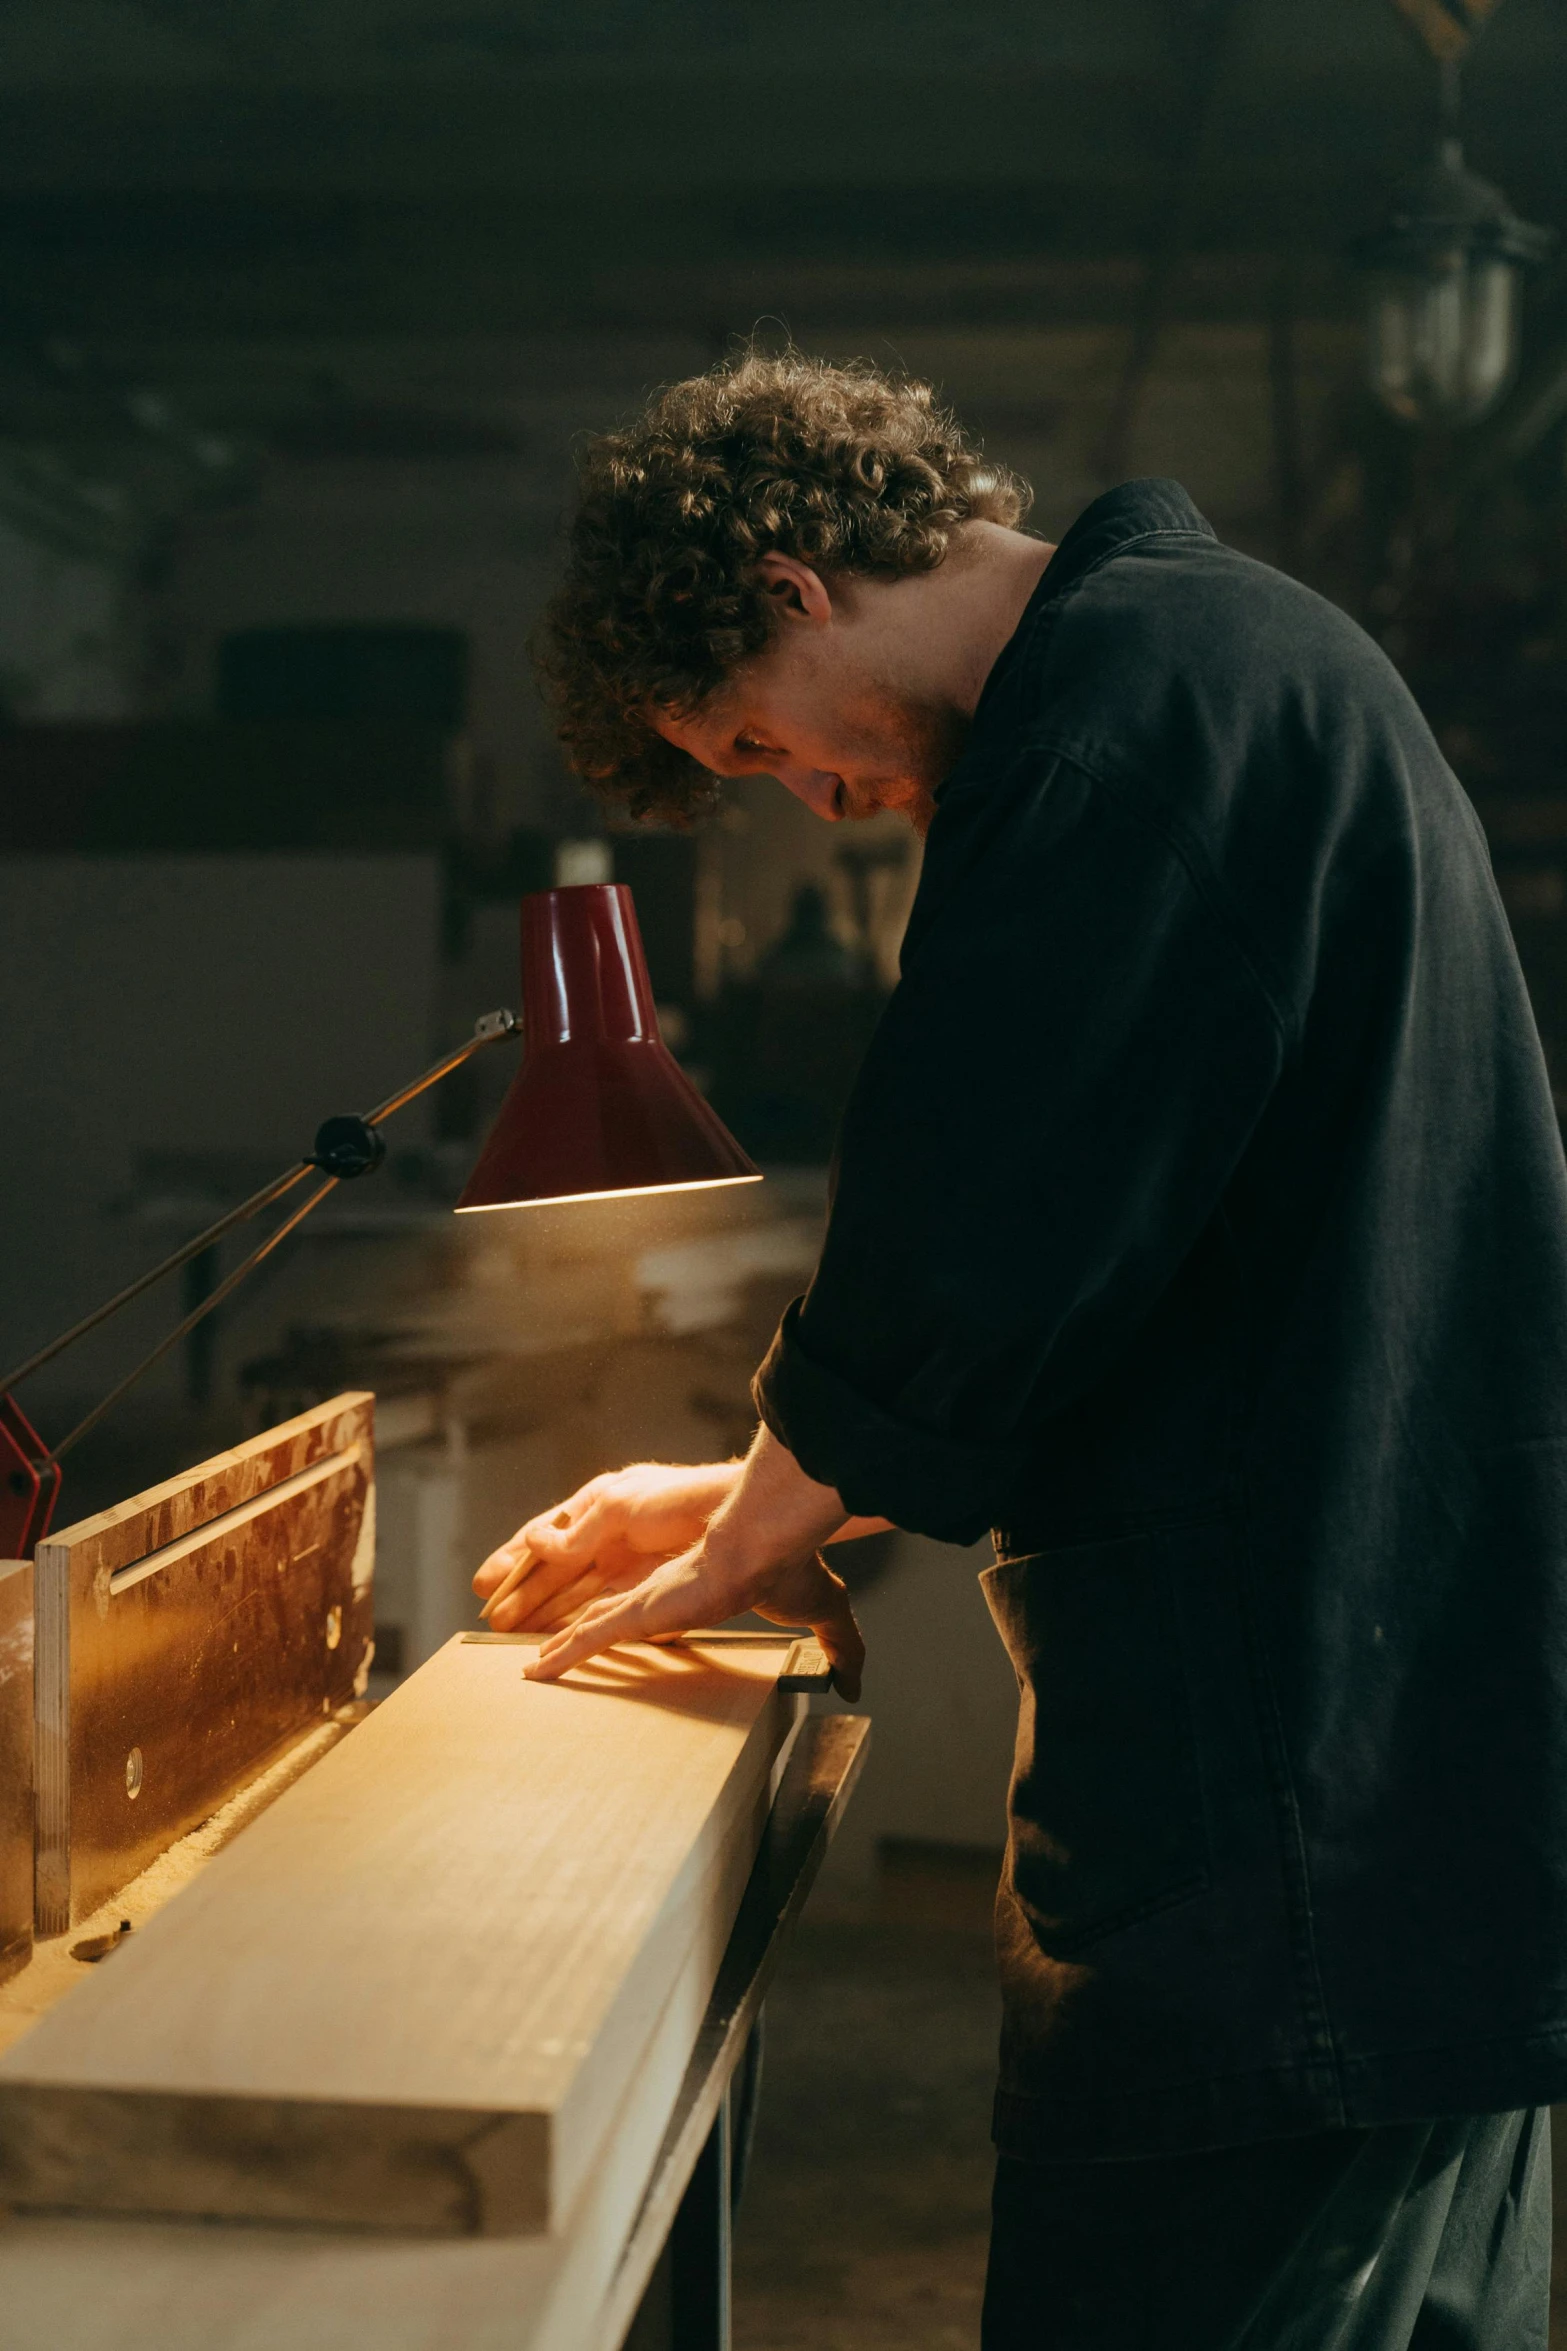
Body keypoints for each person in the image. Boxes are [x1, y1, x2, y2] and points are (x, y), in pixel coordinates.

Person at [473, 349, 1567, 2347]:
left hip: (1284, 1828)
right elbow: (1100, 1229)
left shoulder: (1118, 730)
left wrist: (750, 1531)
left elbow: (981, 1217)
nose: (816, 791)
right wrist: (748, 1488)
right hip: (1427, 1797)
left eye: (758, 744)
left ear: (795, 582)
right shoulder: (1232, 657)